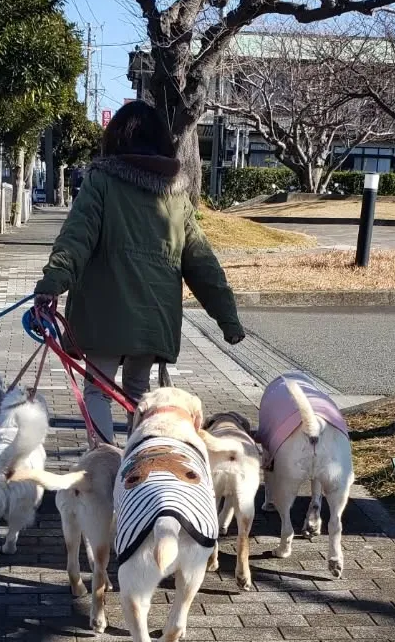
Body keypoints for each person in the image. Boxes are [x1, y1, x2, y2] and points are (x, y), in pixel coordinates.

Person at [33, 100, 245, 444]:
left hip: (105, 316)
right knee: (139, 394)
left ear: (116, 139)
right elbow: (202, 261)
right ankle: (137, 468)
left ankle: (105, 463)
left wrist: (51, 285)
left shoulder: (102, 181)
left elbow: (76, 237)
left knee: (99, 391)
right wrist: (228, 319)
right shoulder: (176, 196)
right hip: (153, 318)